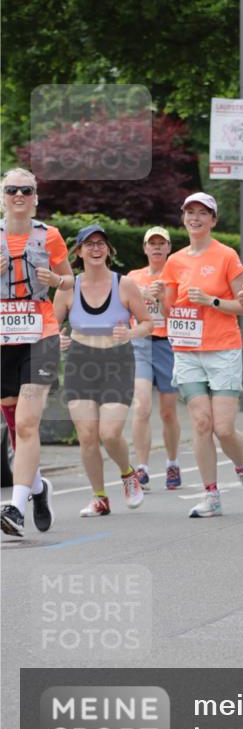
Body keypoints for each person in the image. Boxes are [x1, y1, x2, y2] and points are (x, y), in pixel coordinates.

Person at [155, 192, 243, 517]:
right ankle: (211, 495)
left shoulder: (226, 256)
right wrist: (159, 294)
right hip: (188, 351)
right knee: (202, 423)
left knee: (224, 428)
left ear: (213, 220)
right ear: (183, 218)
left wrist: (211, 301)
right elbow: (170, 309)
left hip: (223, 349)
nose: (195, 218)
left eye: (203, 213)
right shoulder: (175, 261)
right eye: (190, 212)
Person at [55, 224, 152, 517]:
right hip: (80, 362)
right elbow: (49, 325)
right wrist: (56, 338)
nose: (95, 249)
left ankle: (127, 473)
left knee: (109, 433)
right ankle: (99, 497)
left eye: (101, 244)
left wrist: (131, 335)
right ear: (79, 251)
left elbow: (148, 323)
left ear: (109, 250)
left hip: (117, 361)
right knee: (86, 435)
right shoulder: (68, 287)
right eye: (89, 244)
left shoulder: (124, 284)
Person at [0, 168, 74, 538]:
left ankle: (14, 506)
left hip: (39, 333)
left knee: (28, 422)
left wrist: (56, 311)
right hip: (3, 336)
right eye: (11, 189)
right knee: (14, 423)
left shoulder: (50, 237)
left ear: (35, 198)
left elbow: (69, 282)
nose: (18, 195)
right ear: (2, 196)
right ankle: (39, 487)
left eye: (25, 190)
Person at [127, 227, 182, 490]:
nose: (157, 248)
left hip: (168, 344)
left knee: (168, 411)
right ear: (145, 248)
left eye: (162, 243)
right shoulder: (133, 277)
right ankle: (142, 467)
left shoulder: (177, 276)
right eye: (153, 243)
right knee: (141, 406)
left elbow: (180, 316)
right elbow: (123, 306)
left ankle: (172, 463)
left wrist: (161, 300)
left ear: (169, 248)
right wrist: (141, 296)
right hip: (140, 343)